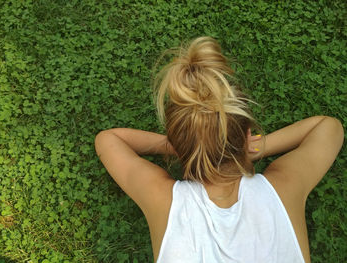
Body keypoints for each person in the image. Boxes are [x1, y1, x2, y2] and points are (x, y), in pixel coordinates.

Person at [94, 37, 344, 263]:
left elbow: (108, 139)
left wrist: (183, 146)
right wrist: (255, 148)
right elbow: (328, 127)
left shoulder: (163, 200)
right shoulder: (283, 189)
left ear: (180, 145)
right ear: (247, 136)